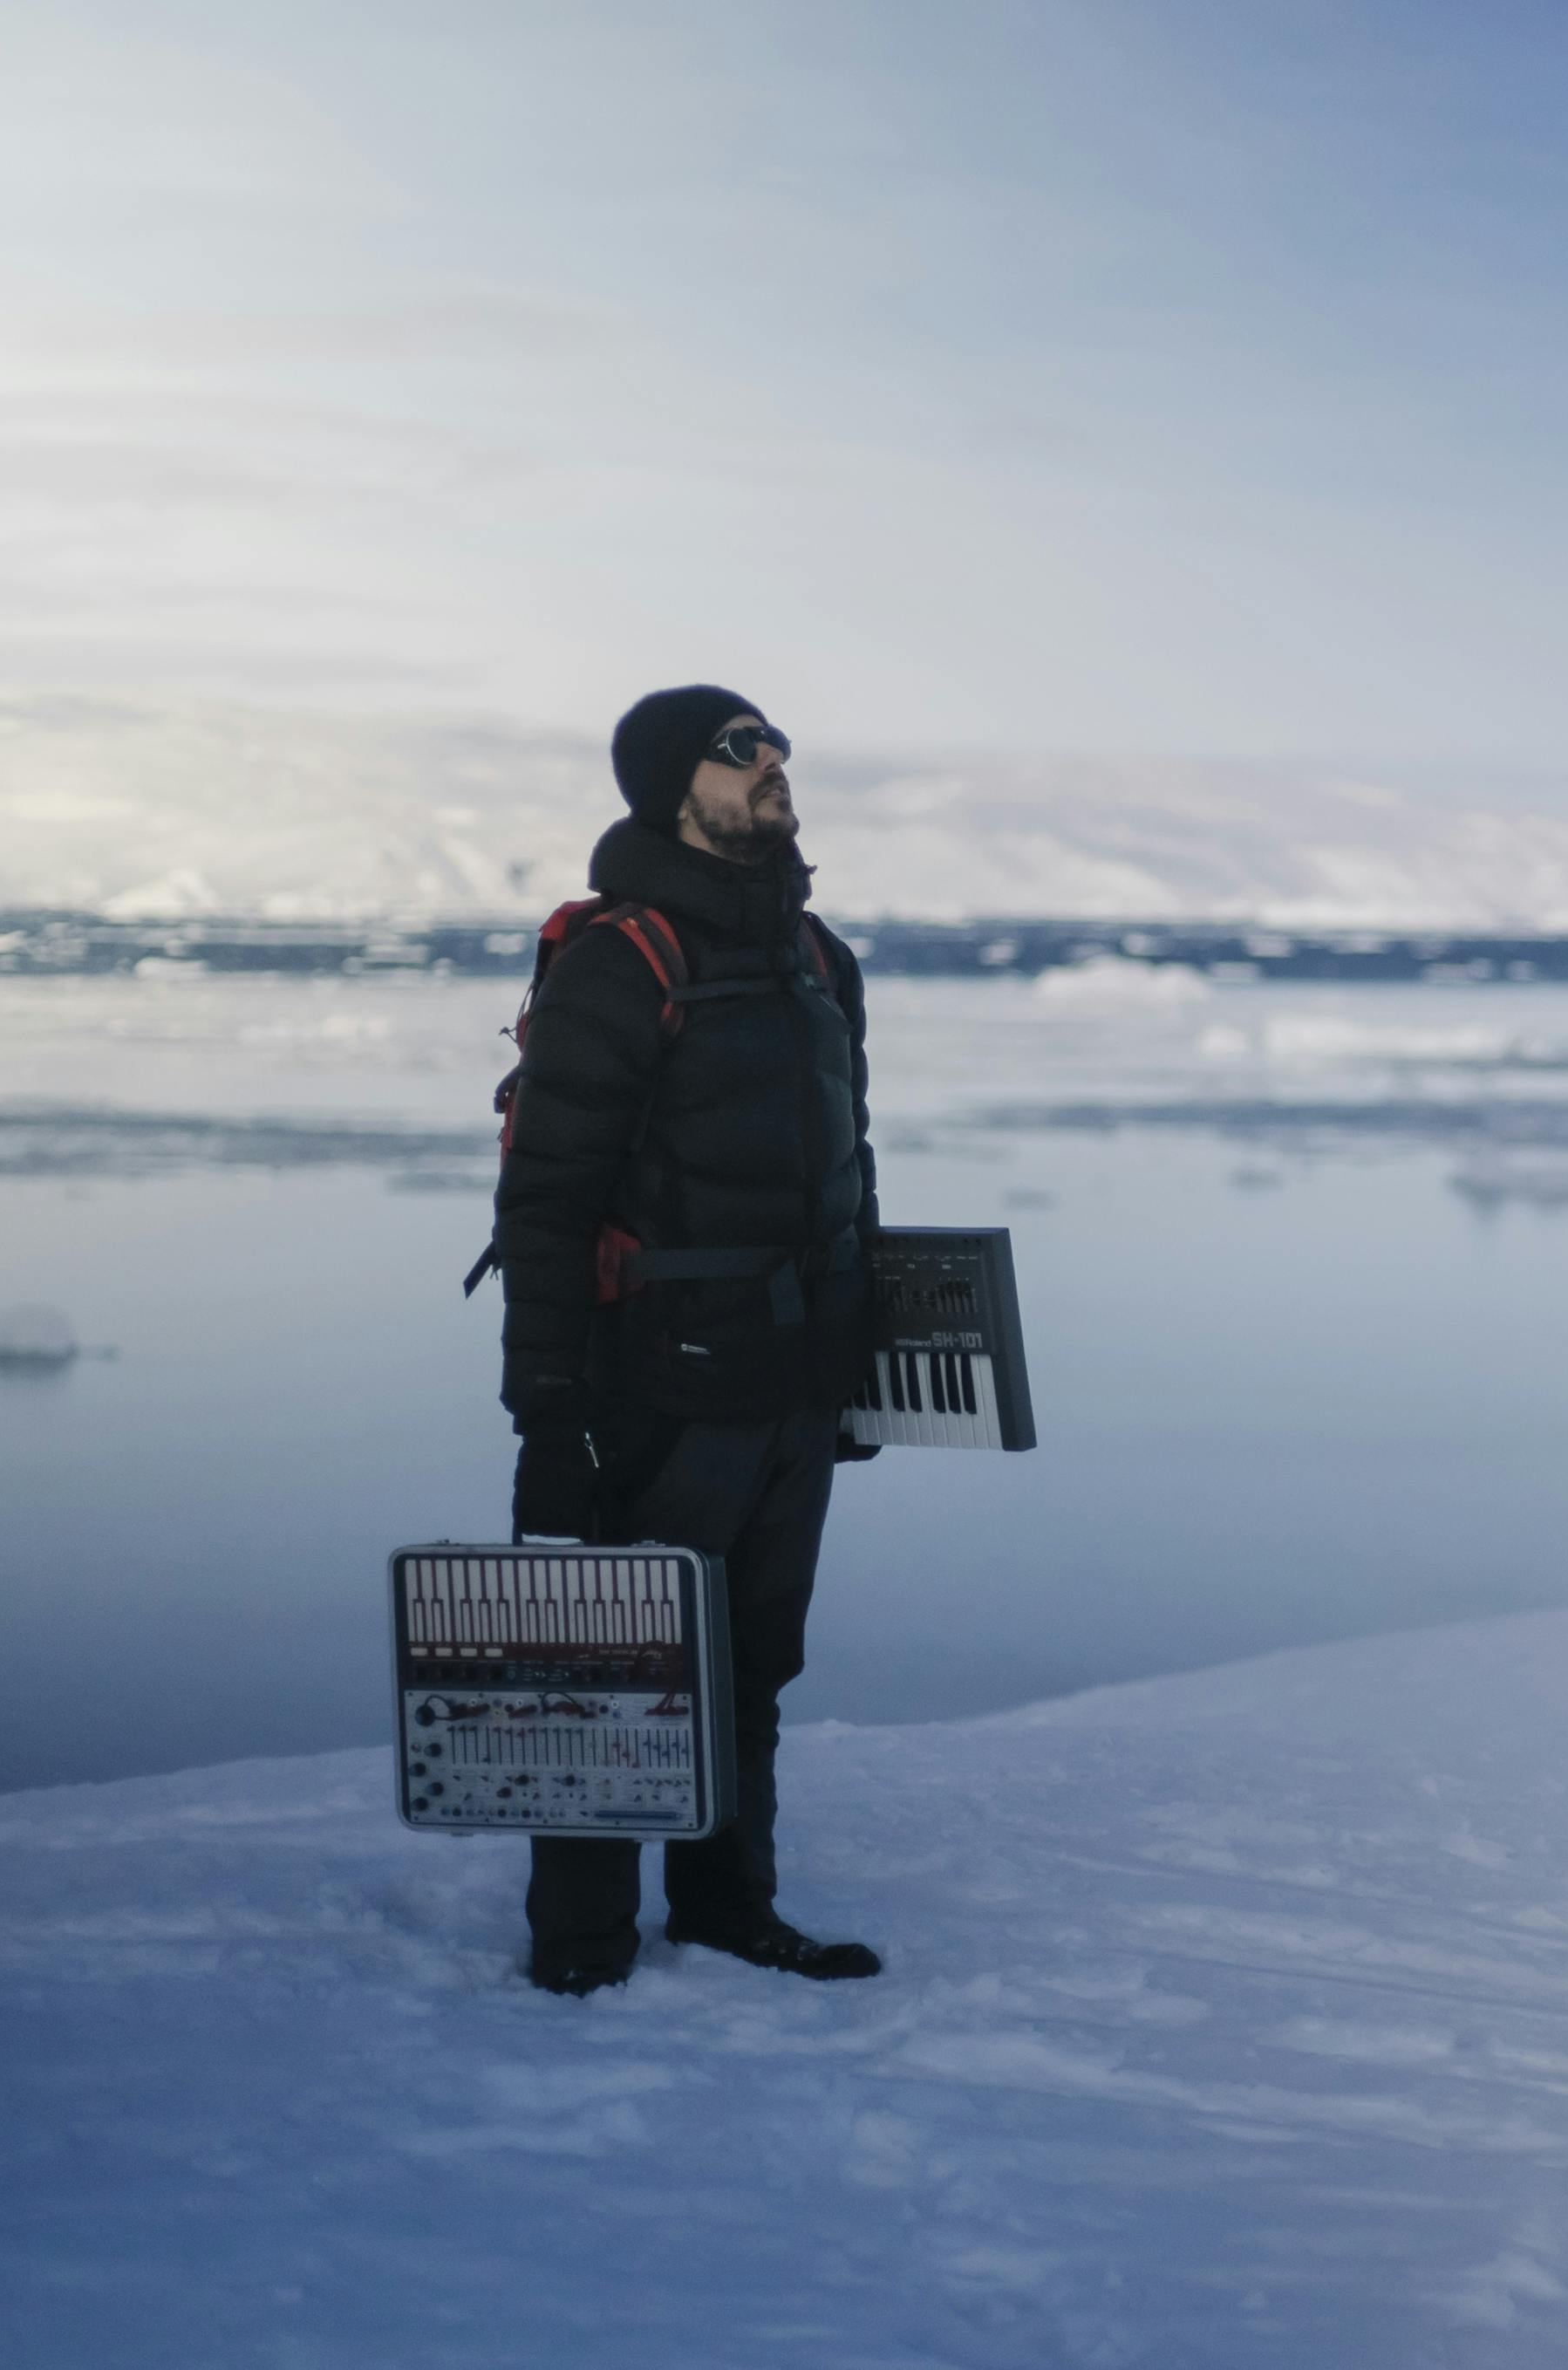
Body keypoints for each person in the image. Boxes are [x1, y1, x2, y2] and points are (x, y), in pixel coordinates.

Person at [491, 683, 885, 1997]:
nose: (774, 761)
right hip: (659, 1385)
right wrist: (549, 1412)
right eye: (739, 747)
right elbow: (545, 1204)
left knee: (755, 1663)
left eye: (775, 741)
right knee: (617, 1666)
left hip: (791, 1386)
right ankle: (584, 1951)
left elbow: (849, 1167)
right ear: (675, 786)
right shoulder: (625, 959)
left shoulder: (818, 958)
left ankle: (727, 1906)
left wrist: (859, 1361)